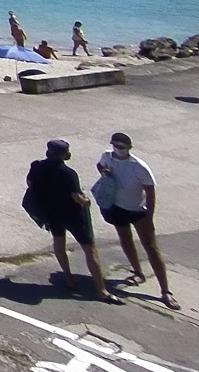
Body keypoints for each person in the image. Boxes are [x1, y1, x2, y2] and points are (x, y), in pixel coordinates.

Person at [25, 139, 120, 303]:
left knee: (59, 243)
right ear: (62, 154)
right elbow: (76, 197)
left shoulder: (37, 166)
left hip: (52, 213)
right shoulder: (68, 173)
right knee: (90, 250)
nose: (69, 153)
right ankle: (101, 290)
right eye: (67, 151)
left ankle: (69, 278)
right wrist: (86, 201)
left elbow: (30, 183)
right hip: (73, 215)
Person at [96, 132, 179, 308]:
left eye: (122, 147)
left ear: (129, 148)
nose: (118, 150)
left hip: (138, 211)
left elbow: (150, 191)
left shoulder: (139, 167)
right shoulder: (107, 156)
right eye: (115, 146)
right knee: (125, 240)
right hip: (117, 207)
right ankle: (138, 272)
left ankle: (165, 291)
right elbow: (100, 165)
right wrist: (104, 171)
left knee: (151, 247)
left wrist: (149, 216)